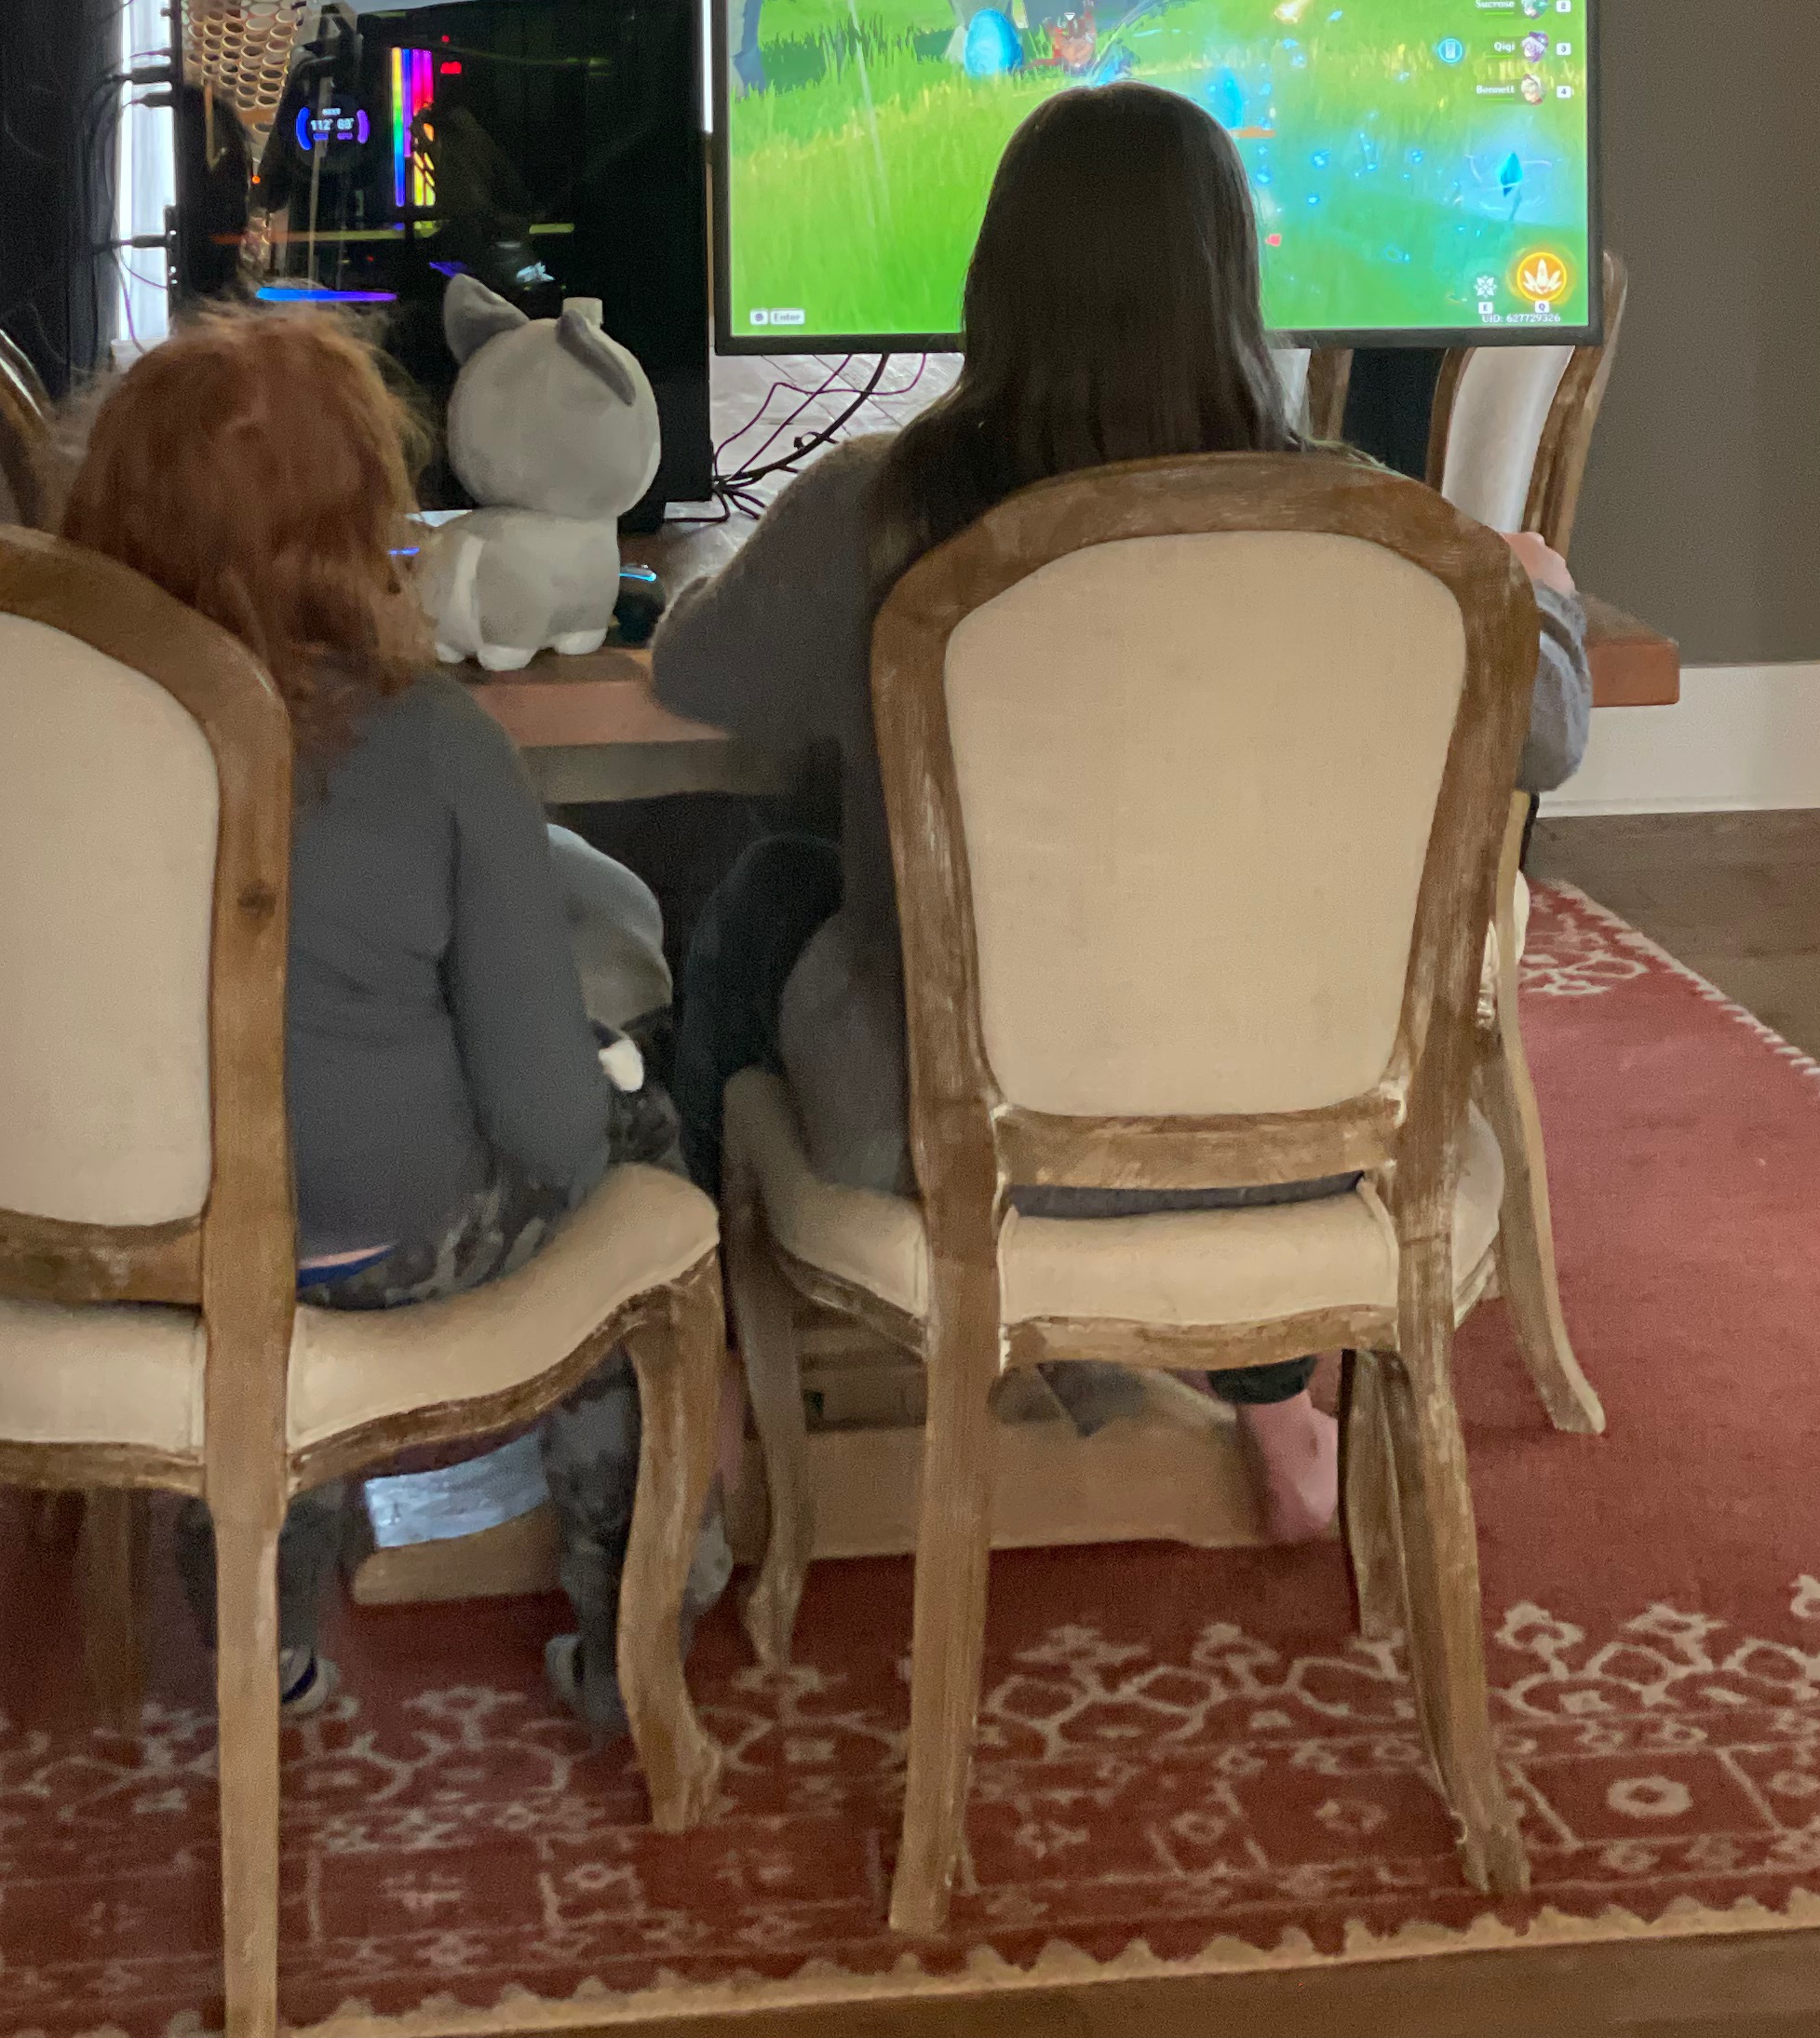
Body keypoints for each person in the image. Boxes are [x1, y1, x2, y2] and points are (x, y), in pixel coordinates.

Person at [657, 83, 1592, 1543]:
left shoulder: (879, 509)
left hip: (962, 1148)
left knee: (771, 885)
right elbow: (1551, 733)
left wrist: (724, 568)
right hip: (1311, 1143)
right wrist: (1540, 592)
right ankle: (1275, 1406)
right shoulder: (1368, 533)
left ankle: (711, 1381)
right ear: (1237, 288)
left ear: (993, 287)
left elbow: (698, 675)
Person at [61, 307, 723, 1727]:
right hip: (383, 1239)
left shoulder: (48, 739)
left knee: (252, 1253)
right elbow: (545, 1126)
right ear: (368, 520)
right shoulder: (434, 742)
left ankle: (266, 1635)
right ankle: (633, 1631)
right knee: (634, 1152)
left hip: (130, 1232)